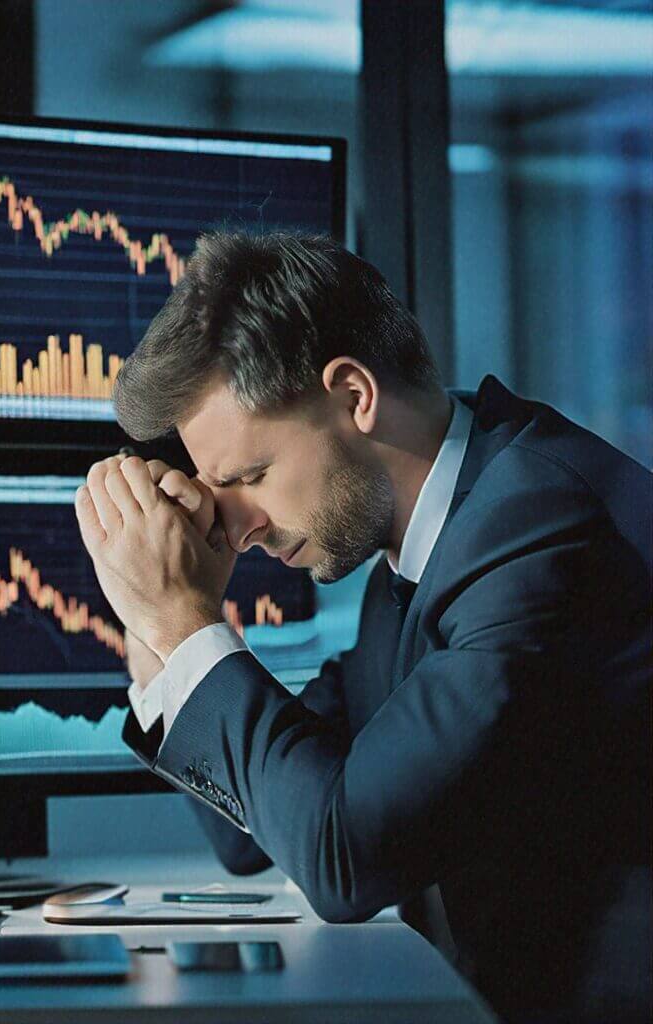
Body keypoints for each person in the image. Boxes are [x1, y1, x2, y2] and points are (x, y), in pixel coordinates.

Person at [74, 232, 651, 1023]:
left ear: (353, 395)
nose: (238, 527)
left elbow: (344, 857)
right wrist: (154, 626)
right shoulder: (423, 548)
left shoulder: (537, 535)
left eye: (250, 476)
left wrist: (185, 622)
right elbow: (254, 834)